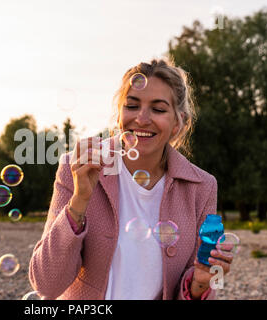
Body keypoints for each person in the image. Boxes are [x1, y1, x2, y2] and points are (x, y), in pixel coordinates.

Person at [29, 58, 234, 300]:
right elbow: (46, 284)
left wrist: (200, 284)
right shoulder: (77, 168)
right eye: (132, 106)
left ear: (179, 123)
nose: (142, 119)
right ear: (119, 115)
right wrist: (80, 200)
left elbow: (197, 284)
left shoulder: (202, 186)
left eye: (158, 109)